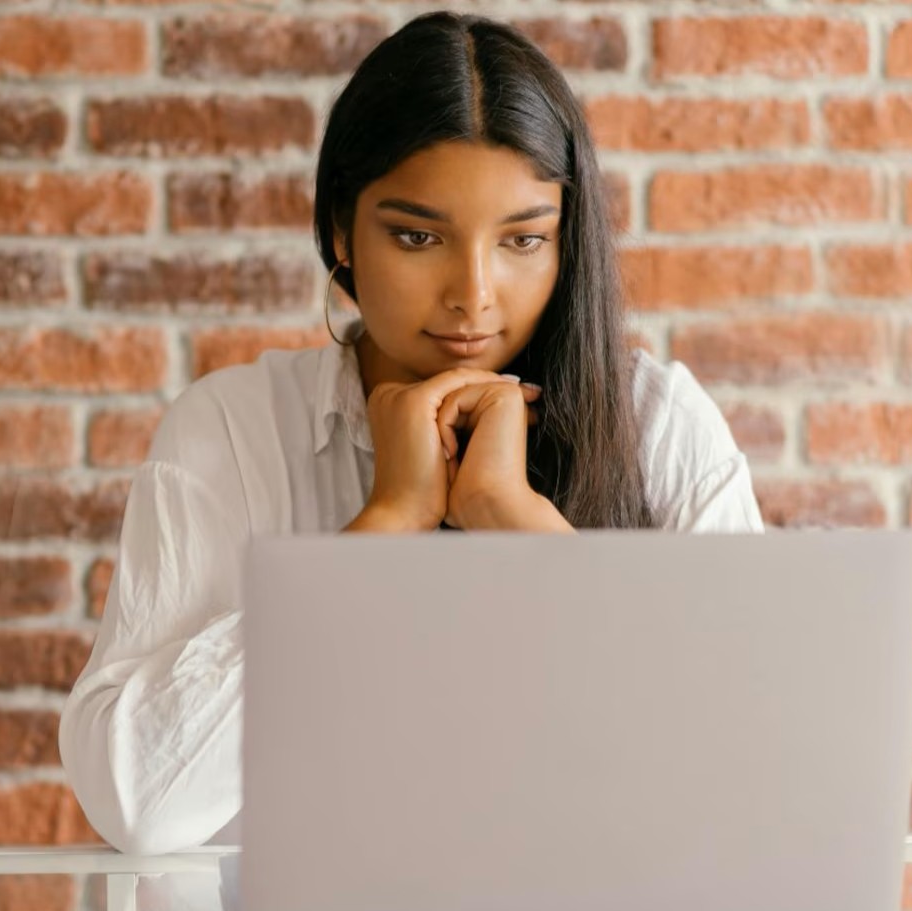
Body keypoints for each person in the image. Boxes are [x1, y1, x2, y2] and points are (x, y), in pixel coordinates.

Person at [60, 9, 765, 867]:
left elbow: (747, 784)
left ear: (566, 242)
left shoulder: (662, 426)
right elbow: (138, 799)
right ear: (339, 235)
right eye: (418, 236)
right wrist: (384, 525)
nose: (473, 293)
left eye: (523, 240)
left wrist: (515, 517)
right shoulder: (233, 432)